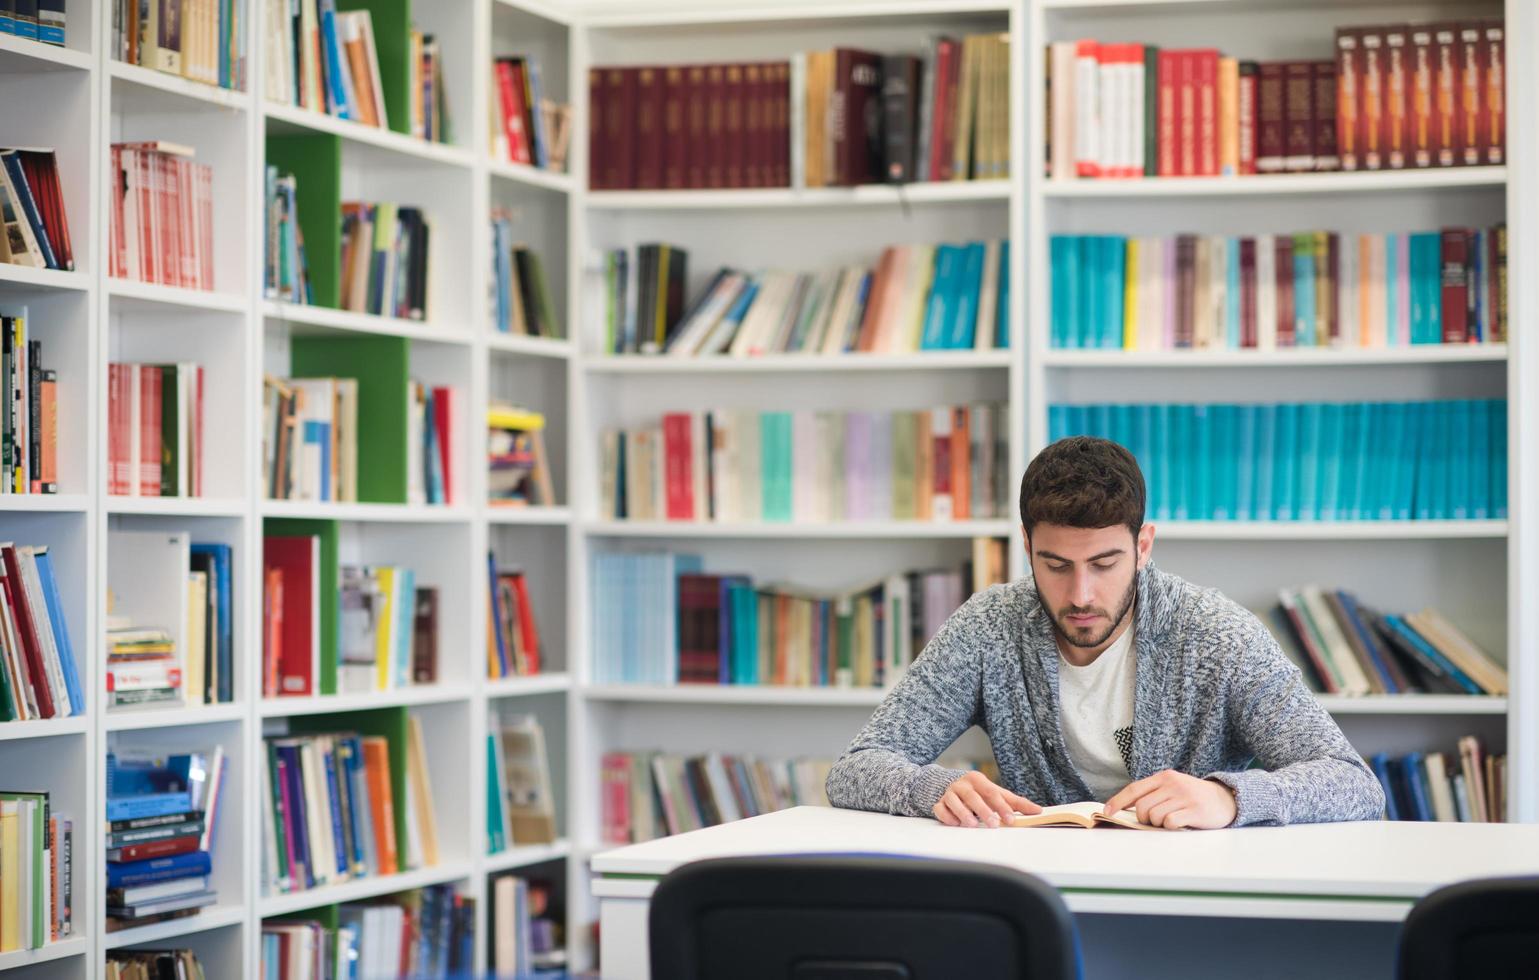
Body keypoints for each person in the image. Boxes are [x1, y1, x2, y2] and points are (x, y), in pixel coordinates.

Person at [825, 436, 1385, 830]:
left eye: (1105, 563)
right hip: (1040, 889)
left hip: (1190, 893)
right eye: (1056, 565)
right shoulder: (989, 627)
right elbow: (857, 767)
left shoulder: (1218, 636)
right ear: (1027, 547)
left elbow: (1354, 785)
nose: (1081, 595)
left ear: (1144, 547)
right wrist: (933, 789)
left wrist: (1228, 798)